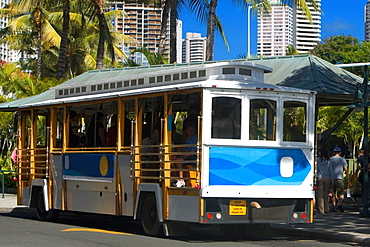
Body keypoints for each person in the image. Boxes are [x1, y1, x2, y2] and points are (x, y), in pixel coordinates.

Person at [329, 147, 349, 212]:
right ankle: (339, 204)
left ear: (334, 152)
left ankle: (334, 206)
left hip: (332, 178)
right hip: (340, 178)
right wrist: (348, 178)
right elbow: (346, 169)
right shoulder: (342, 160)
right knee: (341, 193)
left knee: (332, 193)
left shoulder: (330, 159)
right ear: (340, 153)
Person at [316, 148, 330, 214]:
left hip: (320, 177)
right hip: (327, 177)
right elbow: (331, 169)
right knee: (326, 194)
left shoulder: (318, 160)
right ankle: (327, 208)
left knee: (320, 195)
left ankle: (321, 209)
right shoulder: (328, 160)